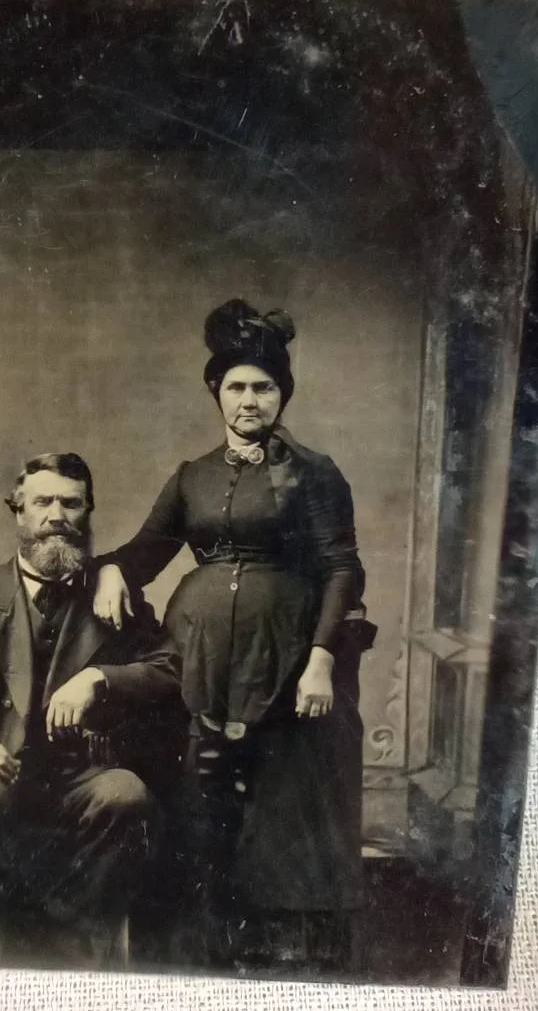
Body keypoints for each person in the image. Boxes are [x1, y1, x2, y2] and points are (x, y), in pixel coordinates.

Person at [94, 299, 376, 973]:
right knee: (202, 796)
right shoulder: (191, 476)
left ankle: (284, 951)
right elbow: (146, 551)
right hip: (200, 655)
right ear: (216, 392)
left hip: (285, 655)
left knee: (283, 795)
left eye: (264, 387)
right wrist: (110, 571)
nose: (250, 401)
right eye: (237, 387)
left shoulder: (314, 471)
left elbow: (341, 567)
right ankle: (205, 946)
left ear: (283, 394)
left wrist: (320, 660)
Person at [0, 453, 184, 966]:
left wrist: (100, 679)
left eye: (71, 503)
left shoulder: (113, 595)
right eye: (43, 502)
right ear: (18, 510)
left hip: (80, 776)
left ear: (88, 511)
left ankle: (83, 961)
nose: (57, 516)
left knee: (125, 793)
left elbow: (170, 669)